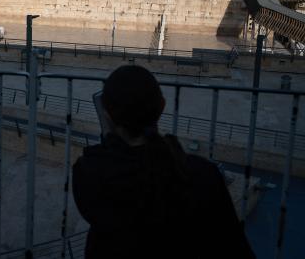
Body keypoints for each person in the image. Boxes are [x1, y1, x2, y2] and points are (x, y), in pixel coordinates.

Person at [73, 65, 255, 259]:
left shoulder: (88, 174)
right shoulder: (202, 175)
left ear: (107, 116)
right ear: (162, 107)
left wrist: (110, 141)